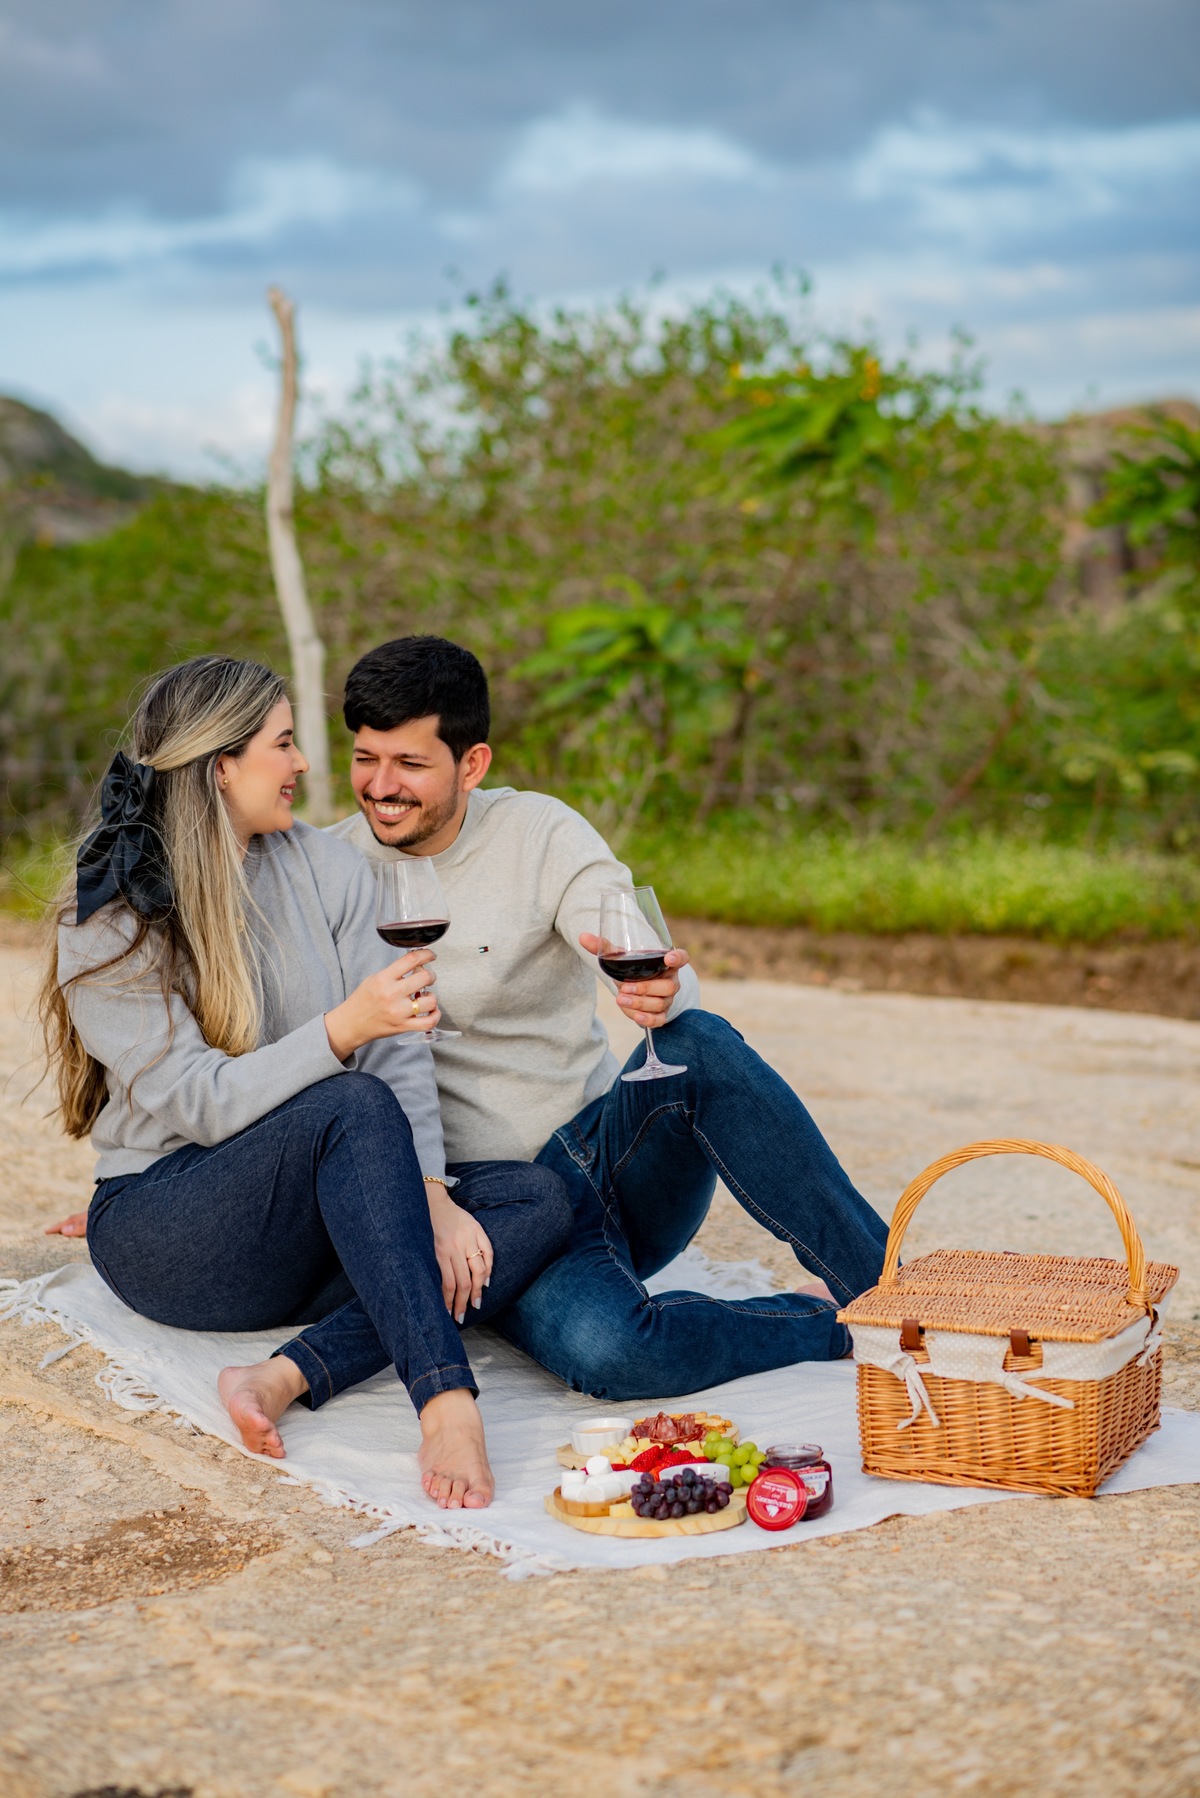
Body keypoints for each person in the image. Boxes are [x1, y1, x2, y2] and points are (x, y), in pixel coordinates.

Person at [40, 654, 572, 1509]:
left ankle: (284, 1374)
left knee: (536, 1199)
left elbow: (398, 1049)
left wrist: (431, 1192)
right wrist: (341, 1030)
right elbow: (201, 1103)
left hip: (305, 1224)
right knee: (347, 1103)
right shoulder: (110, 907)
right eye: (283, 744)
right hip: (171, 1229)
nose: (302, 764)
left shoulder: (326, 867)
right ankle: (446, 1403)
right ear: (222, 764)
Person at [322, 636, 890, 1398]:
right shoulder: (328, 870)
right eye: (365, 758)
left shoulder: (539, 833)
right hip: (494, 1212)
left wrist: (659, 988)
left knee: (696, 1042)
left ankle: (892, 1294)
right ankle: (826, 1325)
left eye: (410, 764)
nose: (381, 786)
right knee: (613, 1350)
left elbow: (631, 938)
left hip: (605, 1157)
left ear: (472, 764)